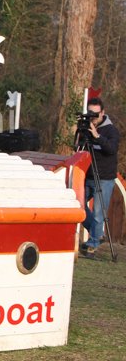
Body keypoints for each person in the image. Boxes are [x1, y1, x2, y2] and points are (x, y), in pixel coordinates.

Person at [77, 97, 120, 258]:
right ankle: (97, 233)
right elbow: (79, 149)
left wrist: (97, 136)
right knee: (77, 205)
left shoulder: (111, 130)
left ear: (103, 113)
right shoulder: (86, 128)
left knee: (98, 213)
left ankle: (92, 244)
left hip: (104, 177)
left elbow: (111, 149)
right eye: (90, 113)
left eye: (95, 114)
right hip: (88, 175)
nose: (93, 117)